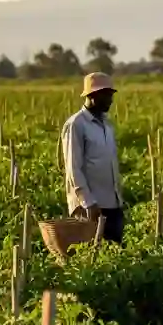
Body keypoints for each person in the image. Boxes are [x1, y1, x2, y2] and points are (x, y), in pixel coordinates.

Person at [62, 72, 125, 244]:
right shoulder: (76, 124)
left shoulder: (107, 125)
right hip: (90, 207)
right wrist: (88, 202)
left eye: (111, 95)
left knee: (114, 257)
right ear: (92, 95)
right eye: (106, 95)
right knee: (91, 257)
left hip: (112, 204)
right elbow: (73, 168)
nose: (111, 100)